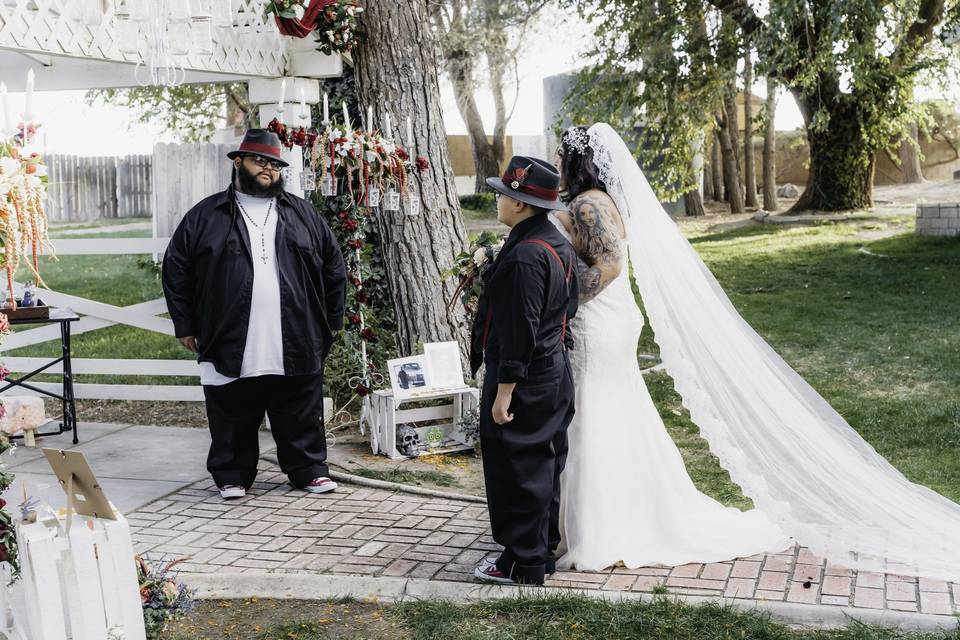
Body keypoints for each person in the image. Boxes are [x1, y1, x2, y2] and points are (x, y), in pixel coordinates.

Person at [552, 123, 960, 582]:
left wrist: (557, 296)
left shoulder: (589, 206)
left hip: (597, 323)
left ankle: (600, 528)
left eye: (562, 158)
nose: (559, 166)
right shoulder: (600, 202)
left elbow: (607, 266)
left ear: (577, 161)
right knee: (611, 410)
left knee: (592, 410)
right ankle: (610, 516)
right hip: (609, 321)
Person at [162, 128, 347, 500]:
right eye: (260, 160)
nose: (268, 169)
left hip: (295, 331)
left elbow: (334, 268)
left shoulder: (303, 214)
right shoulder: (205, 215)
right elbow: (175, 269)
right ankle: (233, 474)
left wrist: (332, 321)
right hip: (227, 331)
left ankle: (309, 470)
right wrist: (186, 324)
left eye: (275, 164)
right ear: (239, 163)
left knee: (299, 406)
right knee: (231, 407)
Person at [470, 155, 579, 586]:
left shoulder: (525, 258)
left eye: (502, 193)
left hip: (526, 378)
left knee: (517, 468)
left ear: (519, 204)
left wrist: (502, 393)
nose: (497, 199)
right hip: (553, 370)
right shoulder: (556, 243)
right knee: (543, 466)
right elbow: (567, 306)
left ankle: (520, 562)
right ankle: (539, 554)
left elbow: (519, 332)